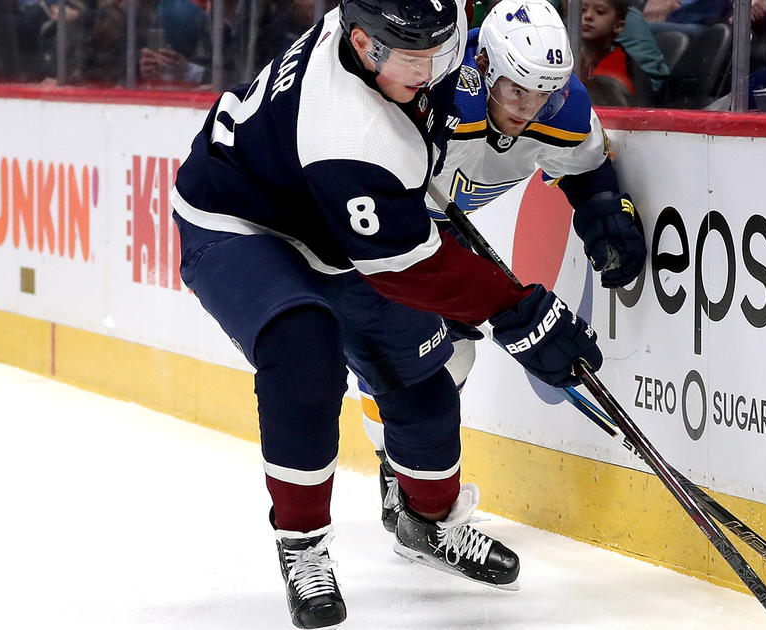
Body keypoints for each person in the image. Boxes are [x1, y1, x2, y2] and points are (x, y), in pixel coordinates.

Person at [170, 0, 604, 627]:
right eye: (411, 58)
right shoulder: (348, 130)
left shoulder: (417, 34)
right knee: (304, 349)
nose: (430, 69)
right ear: (363, 45)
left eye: (437, 50)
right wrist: (517, 312)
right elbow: (408, 268)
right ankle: (304, 547)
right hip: (242, 219)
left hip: (337, 223)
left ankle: (428, 524)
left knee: (423, 381)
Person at [360, 0, 646, 533]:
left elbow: (586, 171)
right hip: (376, 225)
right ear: (484, 66)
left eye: (545, 92)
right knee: (410, 357)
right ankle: (399, 469)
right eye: (517, 89)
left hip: (438, 229)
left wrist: (605, 212)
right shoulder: (433, 91)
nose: (529, 107)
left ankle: (403, 467)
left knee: (455, 358)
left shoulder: (564, 110)